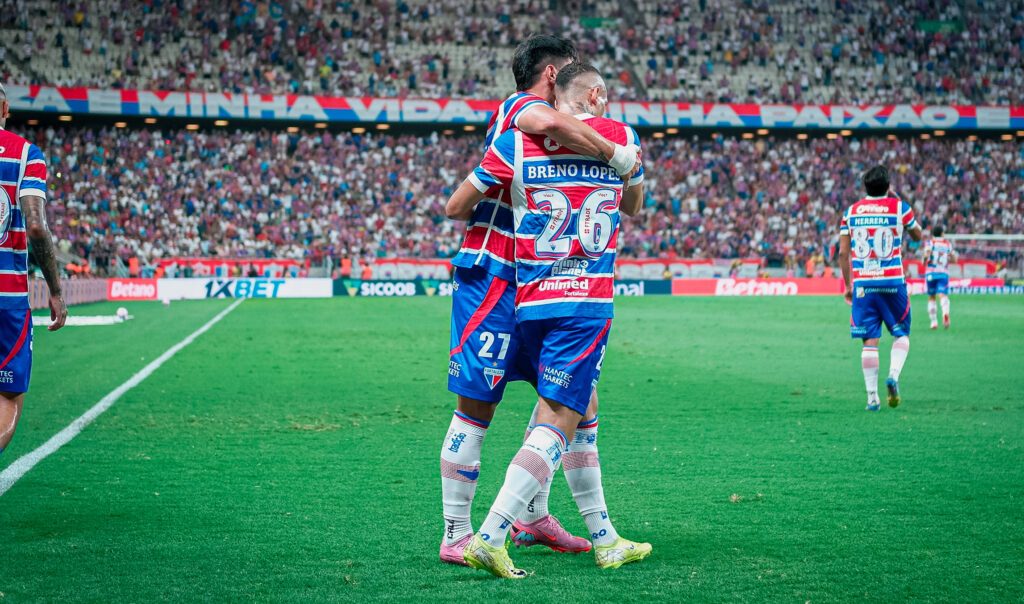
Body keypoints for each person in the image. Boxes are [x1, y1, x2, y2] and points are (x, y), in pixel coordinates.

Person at [439, 35, 641, 565]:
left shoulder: (542, 132)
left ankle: (535, 515)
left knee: (575, 400)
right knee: (478, 404)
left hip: (533, 276)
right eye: (571, 69)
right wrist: (617, 153)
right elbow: (552, 125)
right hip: (494, 273)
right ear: (552, 75)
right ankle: (459, 532)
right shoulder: (523, 108)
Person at [0, 82, 68, 458]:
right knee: (7, 399)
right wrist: (55, 290)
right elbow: (37, 226)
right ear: (6, 108)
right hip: (7, 299)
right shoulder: (26, 154)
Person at [839, 166, 922, 411]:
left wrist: (847, 284)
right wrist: (895, 200)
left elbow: (844, 253)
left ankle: (872, 397)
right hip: (892, 282)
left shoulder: (851, 212)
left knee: (869, 341)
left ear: (865, 187)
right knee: (901, 334)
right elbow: (918, 235)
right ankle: (893, 376)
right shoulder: (899, 207)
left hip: (864, 284)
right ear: (888, 186)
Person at [921, 225, 956, 330]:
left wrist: (923, 261)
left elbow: (927, 255)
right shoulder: (947, 244)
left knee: (931, 297)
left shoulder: (930, 242)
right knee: (943, 296)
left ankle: (934, 322)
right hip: (943, 273)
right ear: (942, 233)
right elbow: (954, 258)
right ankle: (945, 314)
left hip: (931, 273)